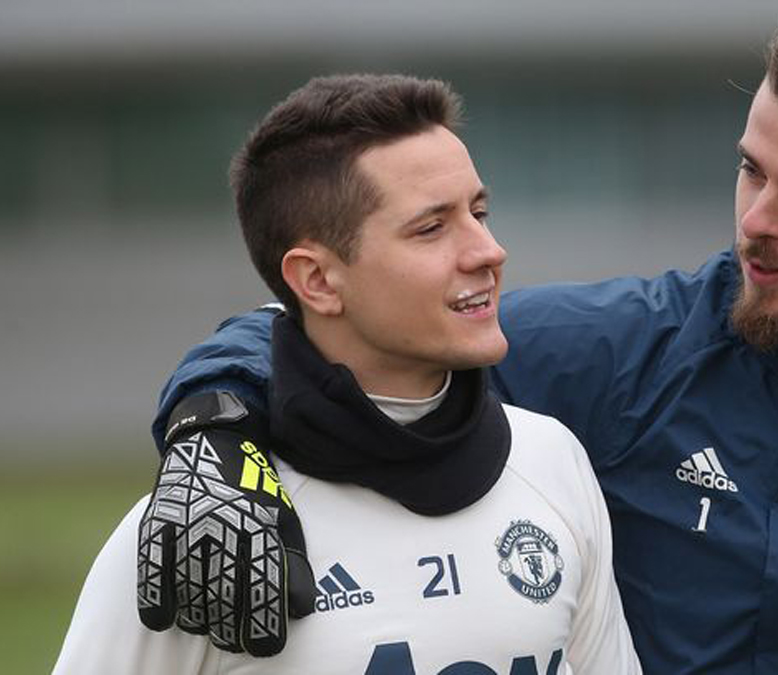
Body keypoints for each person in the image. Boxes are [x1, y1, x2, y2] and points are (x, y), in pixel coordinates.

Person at [135, 6, 778, 674]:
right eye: (752, 172)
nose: (758, 221)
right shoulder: (605, 355)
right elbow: (334, 326)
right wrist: (214, 424)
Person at [54, 74, 641, 674]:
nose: (488, 250)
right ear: (317, 280)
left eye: (479, 211)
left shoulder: (552, 460)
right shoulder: (200, 531)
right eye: (432, 227)